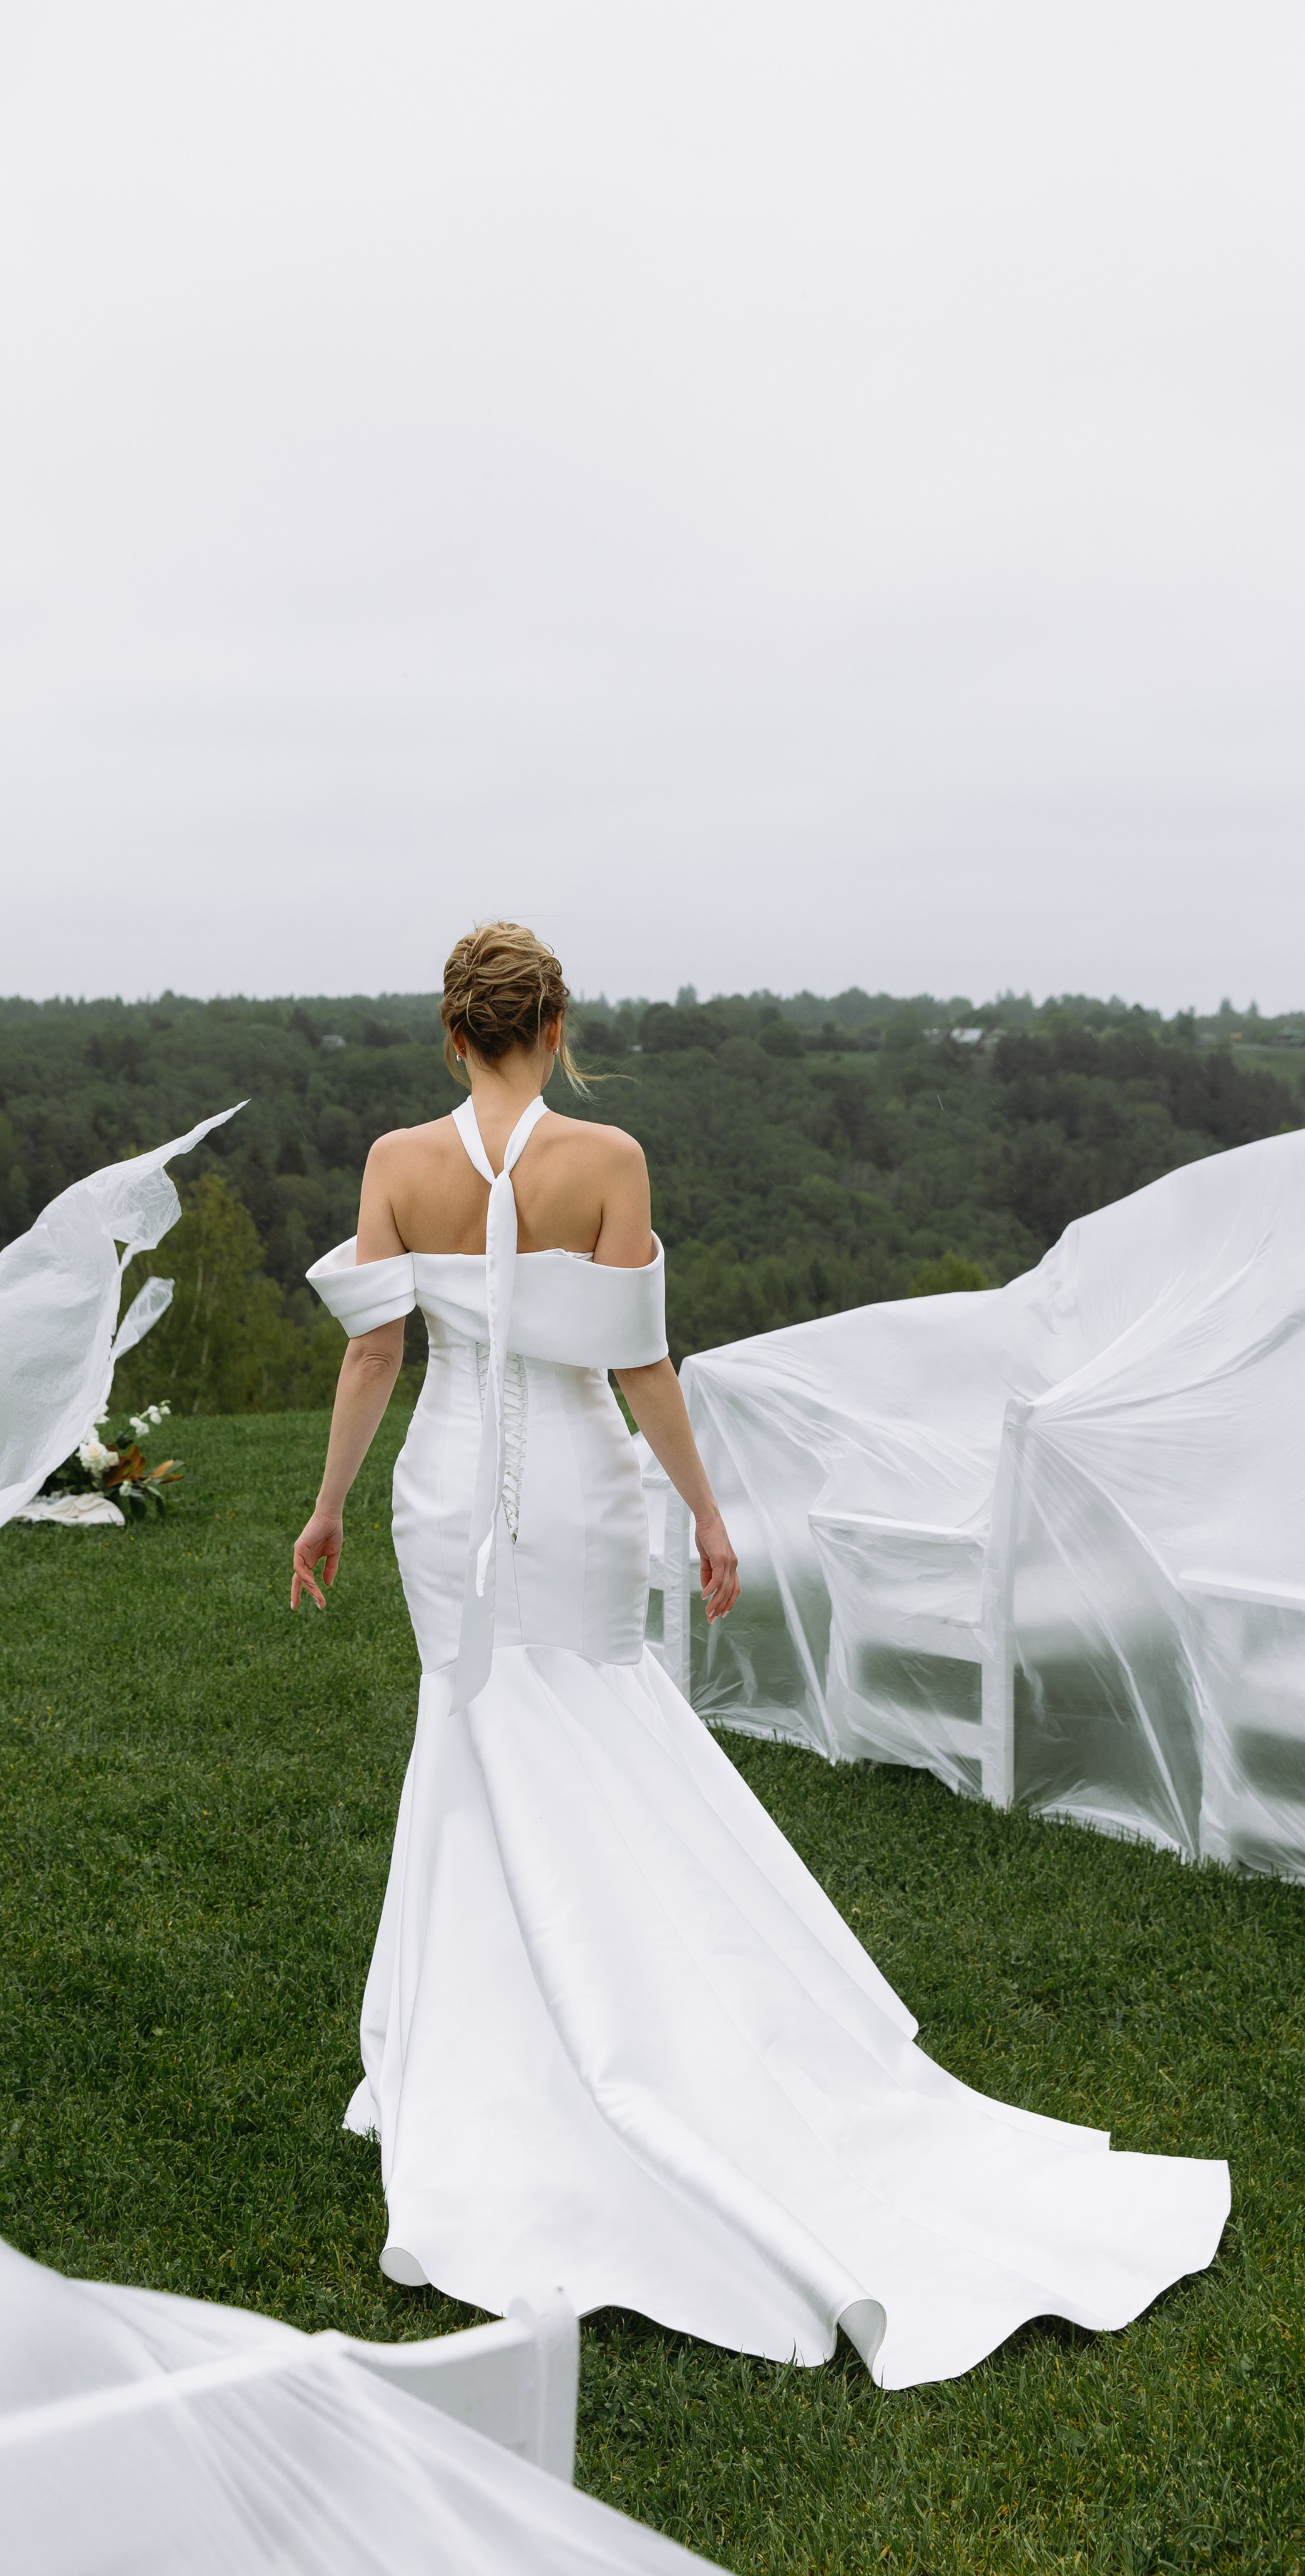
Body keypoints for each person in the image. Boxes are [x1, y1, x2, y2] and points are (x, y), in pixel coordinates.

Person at [291, 922, 1228, 2391]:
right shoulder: (607, 1161)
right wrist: (708, 1517)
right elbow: (639, 1368)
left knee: (475, 1737)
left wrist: (329, 1506)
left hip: (445, 1495)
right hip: (581, 1505)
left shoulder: (396, 1162)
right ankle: (579, 2038)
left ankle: (487, 2061)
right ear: (559, 1022)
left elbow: (372, 1356)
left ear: (450, 1033)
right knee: (579, 1737)